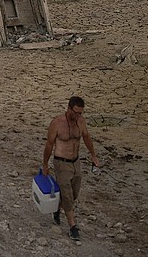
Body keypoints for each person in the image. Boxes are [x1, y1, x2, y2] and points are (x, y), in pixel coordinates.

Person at [42, 96, 99, 241]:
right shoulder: (57, 123)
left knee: (73, 194)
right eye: (76, 112)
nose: (78, 115)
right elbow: (49, 145)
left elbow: (86, 137)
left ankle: (56, 209)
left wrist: (93, 155)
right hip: (61, 163)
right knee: (67, 195)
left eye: (81, 113)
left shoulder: (81, 122)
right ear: (69, 108)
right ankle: (73, 227)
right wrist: (45, 165)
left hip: (76, 162)